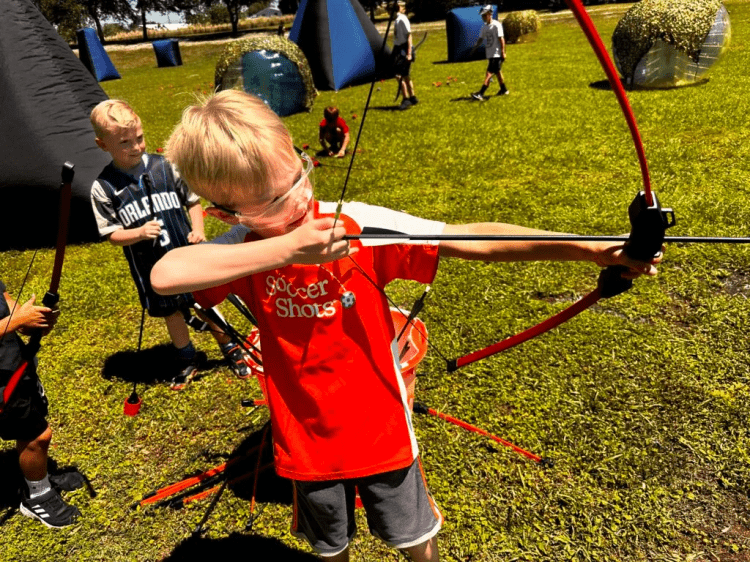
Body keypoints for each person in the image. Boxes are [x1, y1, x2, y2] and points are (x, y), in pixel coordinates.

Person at [151, 90, 661, 561]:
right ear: (224, 213)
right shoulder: (242, 252)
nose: (301, 201)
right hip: (304, 439)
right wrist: (284, 248)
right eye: (274, 202)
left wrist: (590, 248)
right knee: (330, 544)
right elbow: (166, 273)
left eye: (300, 176)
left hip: (382, 427)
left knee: (413, 535)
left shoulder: (354, 226)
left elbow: (468, 239)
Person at [89, 99, 251, 390]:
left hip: (186, 253)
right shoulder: (104, 187)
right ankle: (186, 355)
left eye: (139, 138)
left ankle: (228, 344)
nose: (136, 147)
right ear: (103, 145)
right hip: (149, 265)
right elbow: (111, 234)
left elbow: (192, 201)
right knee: (170, 311)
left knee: (204, 300)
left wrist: (198, 230)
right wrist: (137, 233)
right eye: (124, 143)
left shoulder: (166, 166)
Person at [0, 283, 81, 528]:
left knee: (32, 426)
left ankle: (38, 475)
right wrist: (12, 323)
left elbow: (6, 304)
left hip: (11, 363)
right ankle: (37, 495)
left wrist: (30, 320)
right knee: (38, 436)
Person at [471, 5, 509, 101]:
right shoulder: (485, 27)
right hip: (490, 53)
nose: (483, 17)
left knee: (489, 73)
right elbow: (481, 39)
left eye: (484, 15)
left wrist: (503, 52)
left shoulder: (497, 25)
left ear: (489, 14)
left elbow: (501, 39)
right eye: (482, 16)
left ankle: (481, 93)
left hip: (496, 54)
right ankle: (504, 90)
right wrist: (475, 48)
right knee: (497, 72)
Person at [391, 2, 418, 110]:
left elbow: (409, 35)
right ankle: (413, 97)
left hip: (403, 48)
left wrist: (409, 53)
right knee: (405, 75)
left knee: (399, 75)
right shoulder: (398, 19)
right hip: (398, 48)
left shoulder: (402, 19)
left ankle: (405, 99)